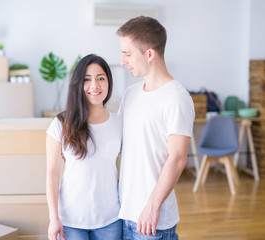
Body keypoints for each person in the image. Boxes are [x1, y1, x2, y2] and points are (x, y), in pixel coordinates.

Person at [116, 16, 195, 239]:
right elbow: (118, 141)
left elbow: (178, 158)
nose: (123, 61)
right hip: (123, 213)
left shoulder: (177, 98)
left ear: (149, 54)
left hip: (152, 222)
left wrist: (152, 207)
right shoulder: (131, 94)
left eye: (128, 53)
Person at [46, 54, 122, 240]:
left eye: (100, 78)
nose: (94, 86)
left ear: (109, 82)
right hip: (71, 221)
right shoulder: (60, 124)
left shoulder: (119, 123)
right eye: (87, 80)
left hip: (110, 220)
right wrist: (53, 217)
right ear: (78, 85)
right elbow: (52, 174)